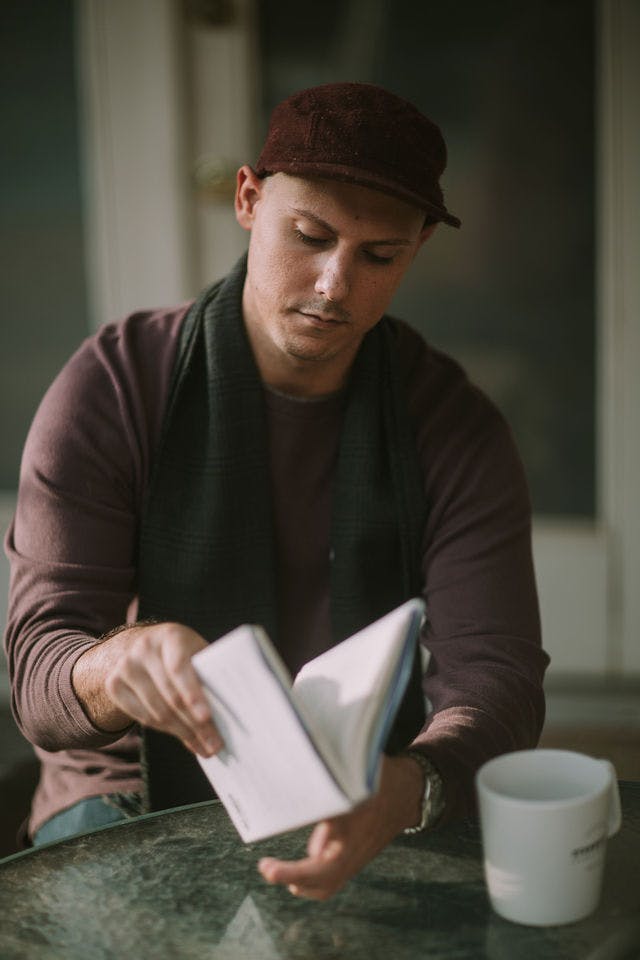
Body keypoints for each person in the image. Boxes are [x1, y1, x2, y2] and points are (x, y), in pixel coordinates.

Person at [4, 82, 548, 899]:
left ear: (419, 247)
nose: (335, 284)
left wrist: (409, 787)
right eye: (311, 235)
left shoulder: (454, 426)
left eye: (378, 256)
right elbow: (38, 681)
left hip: (361, 779)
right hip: (129, 783)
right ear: (249, 199)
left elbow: (496, 680)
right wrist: (115, 664)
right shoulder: (113, 387)